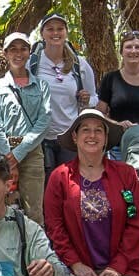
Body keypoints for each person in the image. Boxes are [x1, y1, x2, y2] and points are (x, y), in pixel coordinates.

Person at [42, 108, 139, 276]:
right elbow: (54, 227)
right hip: (76, 267)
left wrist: (117, 266)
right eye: (86, 130)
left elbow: (136, 223)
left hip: (120, 266)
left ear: (106, 138)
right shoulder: (59, 177)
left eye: (98, 130)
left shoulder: (126, 174)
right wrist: (75, 263)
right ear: (75, 136)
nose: (92, 135)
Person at [0, 32, 51, 203]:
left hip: (32, 151)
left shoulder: (41, 86)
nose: (18, 53)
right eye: (13, 49)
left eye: (23, 49)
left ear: (29, 53)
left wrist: (17, 154)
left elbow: (43, 122)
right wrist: (9, 157)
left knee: (34, 209)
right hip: (2, 151)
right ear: (6, 53)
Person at [32, 14, 97, 171]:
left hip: (70, 138)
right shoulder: (33, 64)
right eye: (50, 29)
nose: (55, 33)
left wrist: (87, 100)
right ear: (42, 34)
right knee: (45, 189)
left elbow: (95, 98)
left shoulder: (79, 64)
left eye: (60, 29)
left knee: (69, 187)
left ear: (66, 32)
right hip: (41, 138)